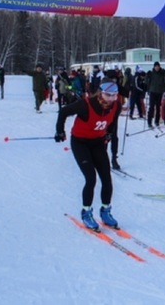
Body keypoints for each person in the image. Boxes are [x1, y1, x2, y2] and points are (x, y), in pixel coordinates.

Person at [54, 80, 122, 231]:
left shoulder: (116, 106)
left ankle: (105, 211)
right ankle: (86, 212)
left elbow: (113, 122)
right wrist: (60, 131)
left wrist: (109, 134)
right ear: (100, 93)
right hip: (80, 143)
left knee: (106, 178)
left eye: (114, 96)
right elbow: (64, 111)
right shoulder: (86, 104)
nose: (111, 99)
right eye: (108, 95)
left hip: (98, 142)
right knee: (91, 178)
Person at [145, 61, 165, 128]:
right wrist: (147, 75)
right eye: (156, 66)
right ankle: (149, 122)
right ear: (154, 67)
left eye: (158, 66)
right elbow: (146, 82)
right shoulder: (151, 73)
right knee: (151, 107)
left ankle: (156, 121)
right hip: (152, 92)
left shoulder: (162, 73)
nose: (157, 68)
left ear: (159, 66)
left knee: (158, 107)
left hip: (160, 92)